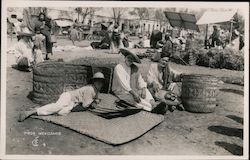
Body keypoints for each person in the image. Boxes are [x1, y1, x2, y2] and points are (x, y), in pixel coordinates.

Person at [18, 72, 105, 122]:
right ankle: (30, 112)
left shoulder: (96, 90)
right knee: (57, 106)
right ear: (94, 82)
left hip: (73, 102)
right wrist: (93, 103)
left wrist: (96, 101)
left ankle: (39, 109)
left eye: (101, 82)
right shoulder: (90, 89)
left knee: (61, 112)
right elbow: (85, 106)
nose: (99, 84)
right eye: (97, 82)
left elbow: (96, 98)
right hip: (68, 96)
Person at [112, 48, 168, 114]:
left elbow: (140, 80)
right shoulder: (119, 67)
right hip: (121, 91)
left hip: (132, 90)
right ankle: (151, 108)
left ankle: (153, 103)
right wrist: (134, 93)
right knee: (135, 99)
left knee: (145, 91)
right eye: (129, 57)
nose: (130, 59)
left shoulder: (134, 68)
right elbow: (123, 84)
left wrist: (143, 89)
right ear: (125, 57)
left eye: (132, 58)